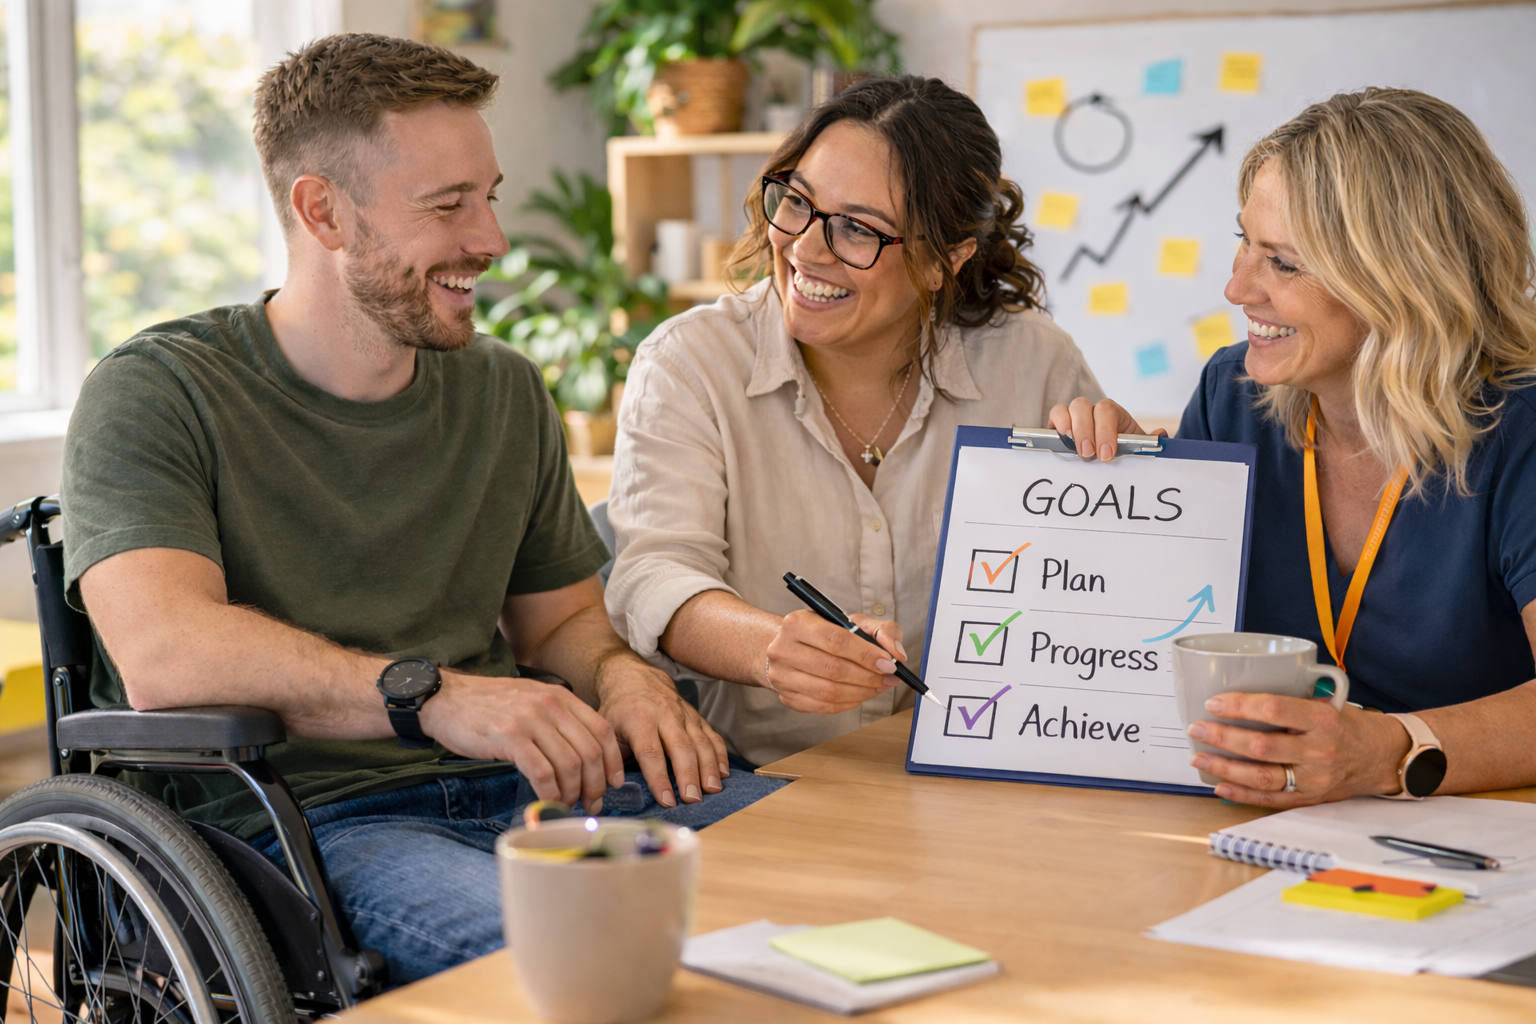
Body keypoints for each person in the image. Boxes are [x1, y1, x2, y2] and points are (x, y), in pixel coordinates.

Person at [61, 33, 783, 987]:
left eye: (489, 196)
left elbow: (562, 617)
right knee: (595, 969)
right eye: (449, 206)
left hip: (546, 791)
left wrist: (621, 677)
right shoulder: (158, 391)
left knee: (828, 886)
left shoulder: (504, 391)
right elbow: (165, 656)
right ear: (322, 211)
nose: (491, 239)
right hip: (319, 827)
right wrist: (435, 695)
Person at [1054, 88, 1536, 807]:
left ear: (1401, 280)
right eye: (1244, 241)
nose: (1236, 286)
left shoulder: (1519, 430)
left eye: (1282, 262)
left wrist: (1390, 752)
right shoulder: (1232, 397)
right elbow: (1163, 642)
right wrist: (1123, 506)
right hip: (1265, 831)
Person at [605, 76, 1104, 769]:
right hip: (760, 784)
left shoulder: (1033, 363)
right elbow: (654, 575)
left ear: (945, 260)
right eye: (799, 204)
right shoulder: (690, 362)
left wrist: (1126, 478)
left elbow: (1096, 597)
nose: (806, 250)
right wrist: (769, 646)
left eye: (857, 228)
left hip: (980, 772)